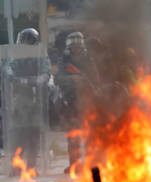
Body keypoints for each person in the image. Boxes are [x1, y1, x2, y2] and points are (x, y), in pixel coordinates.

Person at [2, 28, 51, 174]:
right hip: (19, 99)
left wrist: (37, 80)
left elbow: (46, 72)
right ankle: (16, 166)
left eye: (27, 40)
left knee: (34, 134)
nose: (25, 43)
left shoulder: (40, 55)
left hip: (37, 99)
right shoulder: (16, 55)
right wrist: (16, 78)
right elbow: (8, 68)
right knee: (18, 134)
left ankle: (31, 166)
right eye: (24, 40)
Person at [55, 31, 100, 173]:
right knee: (72, 135)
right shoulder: (64, 60)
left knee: (89, 135)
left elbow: (95, 80)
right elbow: (57, 78)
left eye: (78, 46)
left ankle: (90, 164)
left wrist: (84, 82)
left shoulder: (89, 60)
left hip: (86, 102)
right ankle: (74, 165)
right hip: (70, 102)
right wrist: (72, 80)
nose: (76, 49)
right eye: (73, 46)